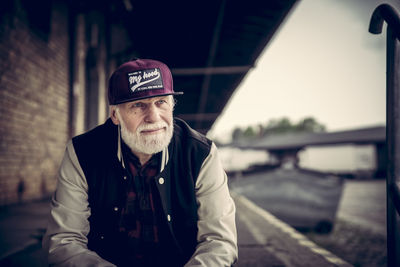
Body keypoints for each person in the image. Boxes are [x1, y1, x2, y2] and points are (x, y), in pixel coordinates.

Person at [43, 58, 238, 266]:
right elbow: (64, 241)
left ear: (172, 105)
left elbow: (219, 242)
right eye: (138, 105)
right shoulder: (82, 153)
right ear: (115, 115)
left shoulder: (201, 154)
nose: (153, 117)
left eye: (161, 102)